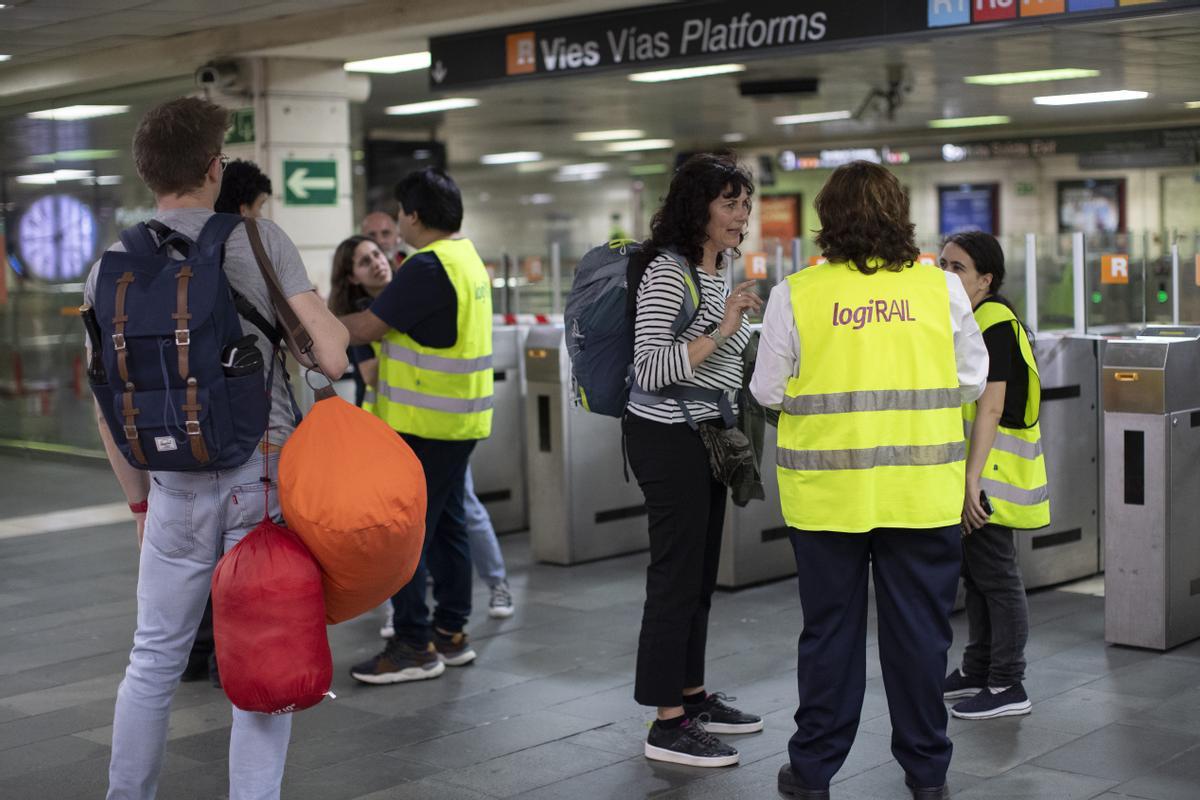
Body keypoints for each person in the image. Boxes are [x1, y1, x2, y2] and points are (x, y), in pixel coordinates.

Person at [87, 96, 348, 800]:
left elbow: (108, 405)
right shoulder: (255, 240)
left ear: (150, 176)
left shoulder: (113, 262)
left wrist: (139, 504)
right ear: (213, 168)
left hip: (170, 484)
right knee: (262, 655)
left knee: (153, 659)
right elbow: (328, 354)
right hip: (258, 481)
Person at [750, 161, 987, 800]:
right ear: (898, 213)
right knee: (920, 639)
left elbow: (767, 388)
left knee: (829, 635)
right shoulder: (941, 289)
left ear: (828, 220)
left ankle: (813, 771)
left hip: (828, 500)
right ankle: (927, 773)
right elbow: (969, 378)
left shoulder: (796, 292)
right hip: (922, 495)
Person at [624, 152, 765, 768]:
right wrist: (725, 322)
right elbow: (651, 369)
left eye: (745, 204)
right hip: (667, 437)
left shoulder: (720, 267)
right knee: (675, 578)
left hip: (709, 431)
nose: (742, 216)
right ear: (697, 208)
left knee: (700, 577)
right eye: (729, 203)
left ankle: (692, 695)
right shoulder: (665, 271)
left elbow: (720, 356)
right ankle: (666, 723)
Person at [338, 168, 493, 683]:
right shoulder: (466, 258)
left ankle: (412, 645)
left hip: (427, 425)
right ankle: (450, 633)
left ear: (416, 216)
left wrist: (306, 316)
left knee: (404, 535)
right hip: (459, 420)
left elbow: (368, 326)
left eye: (402, 213)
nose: (398, 224)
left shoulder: (428, 267)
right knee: (448, 525)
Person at [939, 231, 1049, 721]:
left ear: (985, 279)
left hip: (991, 473)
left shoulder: (994, 323)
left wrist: (971, 481)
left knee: (997, 577)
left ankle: (1008, 681)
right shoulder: (969, 318)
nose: (945, 274)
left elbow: (993, 405)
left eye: (957, 267)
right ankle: (979, 667)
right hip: (978, 470)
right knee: (979, 575)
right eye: (941, 263)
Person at [182, 157, 276, 690]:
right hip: (250, 436)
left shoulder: (164, 257)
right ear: (243, 207)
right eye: (259, 207)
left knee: (195, 556)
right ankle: (228, 661)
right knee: (239, 558)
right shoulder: (254, 251)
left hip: (184, 435)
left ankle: (195, 654)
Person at [327, 235, 393, 406]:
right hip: (379, 413)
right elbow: (370, 375)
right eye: (365, 262)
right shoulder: (357, 316)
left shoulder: (406, 292)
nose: (377, 263)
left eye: (377, 254)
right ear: (352, 278)